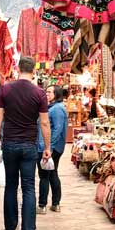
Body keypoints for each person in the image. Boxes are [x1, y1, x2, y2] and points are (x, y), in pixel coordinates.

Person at [0, 56, 51, 230]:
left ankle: (10, 229)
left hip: (9, 144)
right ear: (33, 70)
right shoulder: (39, 93)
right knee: (28, 188)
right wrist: (48, 147)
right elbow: (44, 122)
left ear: (18, 68)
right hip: (28, 146)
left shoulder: (5, 89)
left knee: (11, 185)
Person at [37, 85, 67, 215]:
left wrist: (49, 147)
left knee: (45, 175)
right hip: (49, 146)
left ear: (57, 94)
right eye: (46, 91)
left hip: (50, 148)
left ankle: (42, 205)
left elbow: (57, 130)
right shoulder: (52, 108)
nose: (47, 94)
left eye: (49, 92)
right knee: (52, 173)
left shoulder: (57, 109)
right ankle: (55, 204)